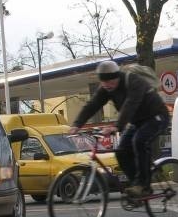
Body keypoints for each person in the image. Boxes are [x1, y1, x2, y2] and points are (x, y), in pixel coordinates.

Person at [69, 60, 169, 197]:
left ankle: (143, 185)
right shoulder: (106, 88)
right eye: (104, 83)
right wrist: (77, 124)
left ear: (118, 77)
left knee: (139, 141)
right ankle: (136, 185)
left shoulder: (133, 81)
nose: (107, 85)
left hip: (157, 116)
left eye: (110, 82)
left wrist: (116, 126)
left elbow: (130, 104)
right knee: (121, 151)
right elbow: (92, 105)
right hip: (137, 122)